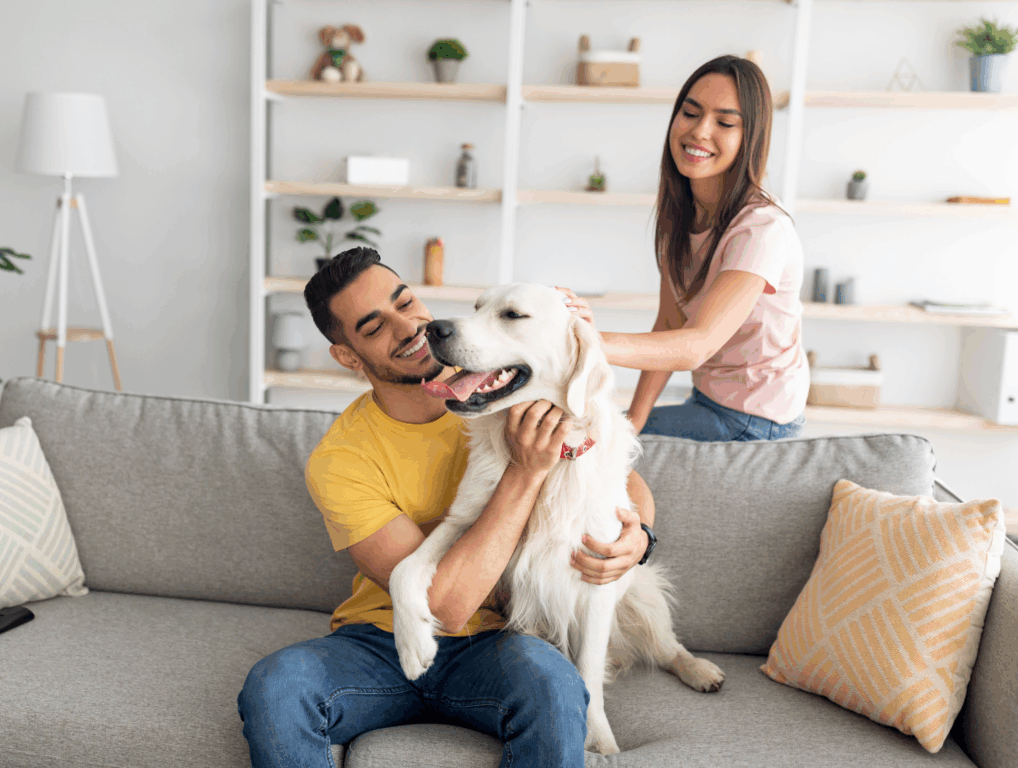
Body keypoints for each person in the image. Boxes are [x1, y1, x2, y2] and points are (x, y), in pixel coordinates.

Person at [236, 246, 658, 768]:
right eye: (373, 327)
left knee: (554, 685)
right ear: (348, 355)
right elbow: (444, 608)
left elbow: (620, 475)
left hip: (497, 641)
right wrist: (525, 473)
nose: (409, 327)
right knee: (276, 685)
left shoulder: (505, 389)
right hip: (382, 640)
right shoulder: (341, 460)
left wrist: (637, 538)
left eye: (406, 302)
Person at [559, 55, 809, 442]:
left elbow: (697, 344)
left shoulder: (762, 228)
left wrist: (579, 339)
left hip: (758, 420)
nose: (700, 131)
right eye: (690, 113)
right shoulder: (682, 214)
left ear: (750, 138)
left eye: (725, 123)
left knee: (585, 444)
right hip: (709, 398)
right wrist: (635, 422)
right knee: (609, 435)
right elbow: (671, 324)